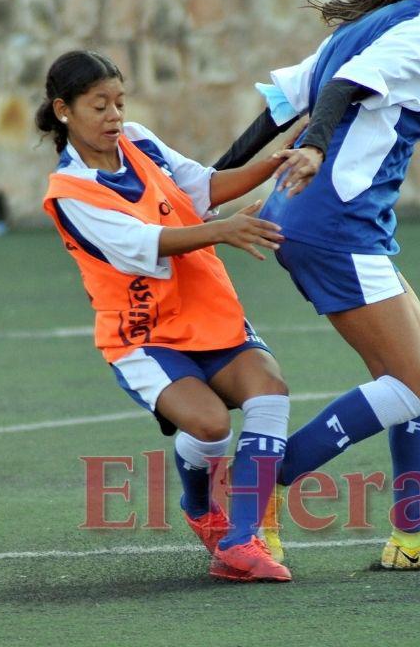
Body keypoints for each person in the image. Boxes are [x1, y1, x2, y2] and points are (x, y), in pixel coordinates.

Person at [214, 0, 420, 569]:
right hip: (334, 225)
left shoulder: (372, 25)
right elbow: (339, 91)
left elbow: (278, 109)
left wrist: (210, 182)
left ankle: (413, 537)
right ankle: (258, 485)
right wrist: (315, 147)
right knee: (413, 383)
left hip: (333, 221)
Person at [37, 50, 306, 583]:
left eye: (119, 102)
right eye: (99, 106)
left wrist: (279, 160)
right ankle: (200, 507)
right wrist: (224, 229)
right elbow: (145, 243)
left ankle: (240, 540)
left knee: (270, 392)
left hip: (209, 310)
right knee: (211, 427)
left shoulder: (138, 140)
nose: (114, 116)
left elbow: (203, 187)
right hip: (143, 334)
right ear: (64, 110)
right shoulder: (69, 193)